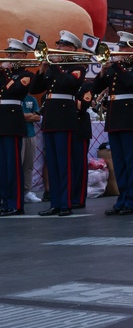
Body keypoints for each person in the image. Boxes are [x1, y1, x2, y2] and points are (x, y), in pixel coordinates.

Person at [93, 37, 133, 215]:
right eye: (120, 46)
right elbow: (96, 88)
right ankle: (122, 200)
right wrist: (103, 72)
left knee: (131, 162)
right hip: (115, 118)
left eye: (124, 47)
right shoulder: (113, 69)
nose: (120, 50)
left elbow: (130, 82)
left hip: (130, 119)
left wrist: (117, 66)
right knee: (119, 163)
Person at [31, 30, 87, 217]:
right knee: (53, 164)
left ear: (71, 48)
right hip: (51, 118)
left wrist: (54, 65)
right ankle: (55, 202)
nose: (59, 48)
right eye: (59, 45)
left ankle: (66, 203)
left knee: (65, 163)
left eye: (62, 45)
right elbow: (35, 89)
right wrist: (41, 69)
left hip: (65, 118)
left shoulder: (77, 67)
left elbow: (68, 83)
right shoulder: (52, 68)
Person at [0, 39, 35, 216]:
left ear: (22, 55)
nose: (8, 56)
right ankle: (4, 201)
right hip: (1, 121)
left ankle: (16, 203)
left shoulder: (25, 74)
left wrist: (6, 70)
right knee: (2, 166)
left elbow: (13, 91)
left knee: (13, 165)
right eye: (8, 53)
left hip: (12, 121)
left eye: (13, 53)